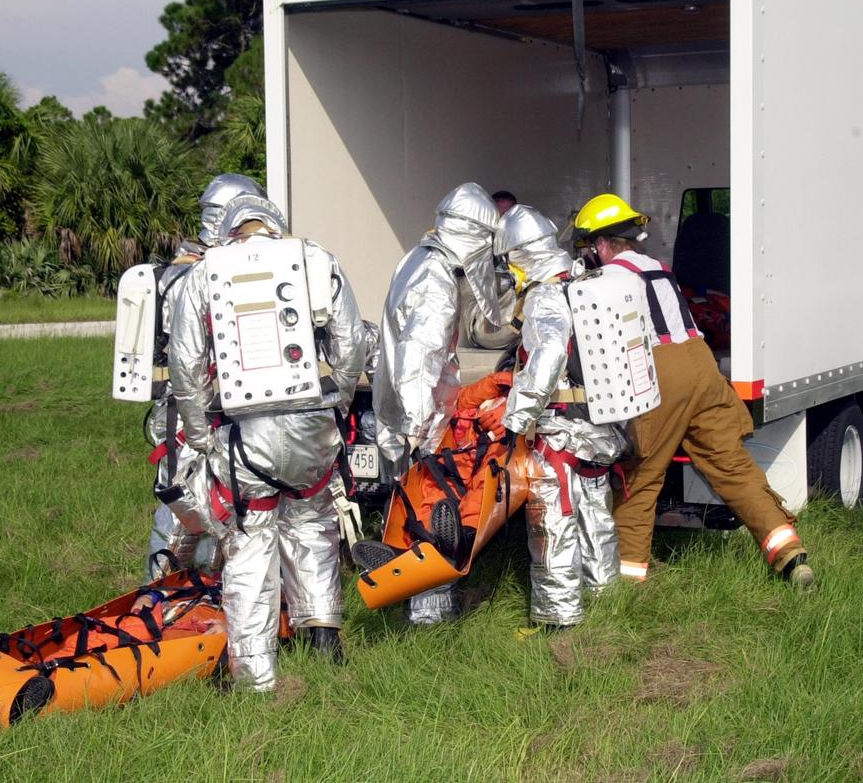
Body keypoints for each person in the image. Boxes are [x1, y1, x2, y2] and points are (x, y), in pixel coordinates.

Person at [169, 193, 366, 689]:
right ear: (276, 227)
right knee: (313, 525)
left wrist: (198, 435)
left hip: (244, 435)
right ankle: (324, 642)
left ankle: (256, 679)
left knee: (252, 544)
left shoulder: (203, 274)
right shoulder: (316, 260)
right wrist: (335, 400)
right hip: (311, 429)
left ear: (230, 230)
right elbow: (351, 342)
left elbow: (186, 365)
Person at [572, 193, 814, 589]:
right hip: (702, 367)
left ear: (601, 244)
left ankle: (625, 585)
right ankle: (790, 556)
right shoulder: (659, 269)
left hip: (661, 373)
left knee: (640, 478)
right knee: (733, 469)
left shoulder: (608, 279)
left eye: (588, 246)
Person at [373, 182, 503, 624]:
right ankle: (428, 610)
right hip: (418, 415)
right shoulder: (437, 280)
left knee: (412, 505)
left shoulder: (418, 258)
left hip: (403, 409)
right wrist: (418, 426)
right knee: (431, 506)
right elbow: (419, 354)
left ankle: (403, 577)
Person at [492, 205, 627, 627]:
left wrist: (517, 417)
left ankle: (558, 621)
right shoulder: (586, 282)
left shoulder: (545, 297)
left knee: (552, 525)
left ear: (519, 257)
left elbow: (549, 353)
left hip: (560, 433)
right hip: (598, 425)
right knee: (595, 519)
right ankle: (605, 599)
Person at [146, 173, 265, 579]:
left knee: (226, 505)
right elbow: (188, 357)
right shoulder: (190, 275)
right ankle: (158, 599)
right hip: (191, 414)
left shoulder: (203, 267)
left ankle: (210, 594)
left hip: (214, 411)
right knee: (185, 509)